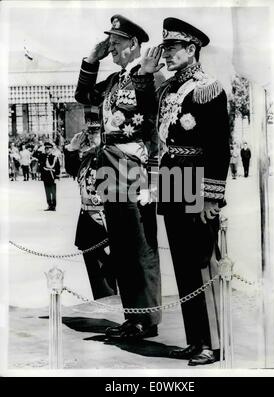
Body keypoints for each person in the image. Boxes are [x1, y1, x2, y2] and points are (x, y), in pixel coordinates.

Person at [143, 17, 230, 365]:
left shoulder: (208, 88)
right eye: (165, 48)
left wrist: (212, 195)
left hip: (196, 183)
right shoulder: (167, 89)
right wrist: (146, 74)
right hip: (172, 183)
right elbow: (150, 122)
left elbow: (218, 146)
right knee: (182, 266)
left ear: (191, 49)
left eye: (173, 48)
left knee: (200, 263)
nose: (167, 54)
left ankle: (212, 342)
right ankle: (195, 339)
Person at [75, 14, 163, 339]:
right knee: (123, 246)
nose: (111, 47)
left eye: (116, 42)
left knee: (140, 245)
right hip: (111, 165)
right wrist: (90, 60)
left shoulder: (150, 74)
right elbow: (83, 97)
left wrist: (152, 179)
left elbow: (153, 120)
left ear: (134, 44)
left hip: (134, 166)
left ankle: (146, 318)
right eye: (109, 42)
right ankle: (133, 317)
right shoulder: (114, 80)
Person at [65, 111, 117, 299]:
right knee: (97, 277)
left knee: (113, 276)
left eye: (94, 133)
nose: (90, 137)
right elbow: (72, 169)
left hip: (108, 221)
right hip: (88, 223)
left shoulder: (112, 155)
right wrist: (71, 148)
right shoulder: (87, 157)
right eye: (88, 133)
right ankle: (104, 307)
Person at [39, 141, 60, 211]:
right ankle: (49, 205)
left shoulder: (54, 158)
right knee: (47, 191)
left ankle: (53, 206)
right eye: (46, 148)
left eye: (49, 148)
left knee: (53, 192)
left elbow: (57, 168)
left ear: (52, 149)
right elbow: (41, 166)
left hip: (52, 177)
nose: (47, 150)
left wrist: (57, 177)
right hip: (45, 177)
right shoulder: (43, 157)